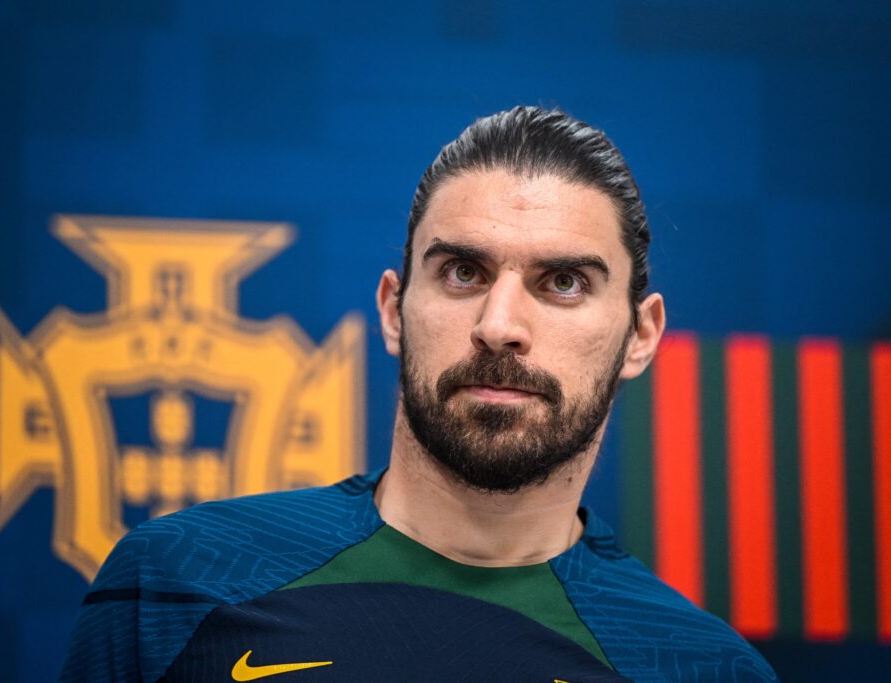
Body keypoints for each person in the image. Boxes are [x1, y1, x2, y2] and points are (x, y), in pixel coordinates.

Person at [60, 107, 778, 682]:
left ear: (641, 335)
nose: (499, 326)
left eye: (563, 282)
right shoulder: (175, 585)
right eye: (463, 272)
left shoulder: (703, 667)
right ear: (393, 309)